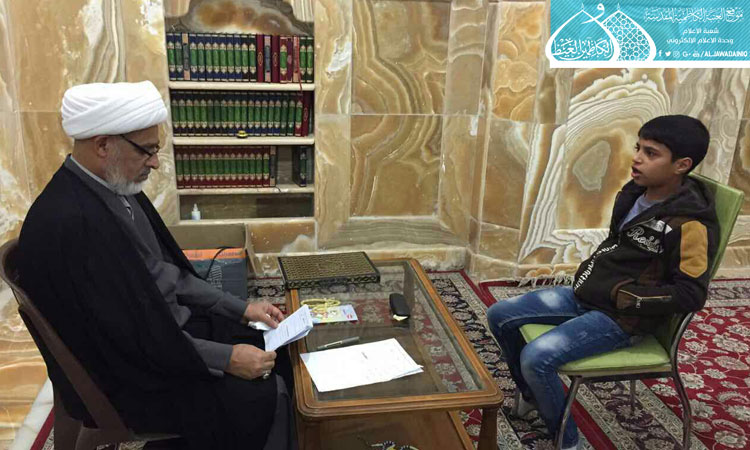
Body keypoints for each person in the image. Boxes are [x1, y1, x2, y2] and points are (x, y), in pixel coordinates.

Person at [18, 81, 297, 450]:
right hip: (132, 377)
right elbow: (128, 341)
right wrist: (227, 359)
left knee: (276, 347)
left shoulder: (113, 188)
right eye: (147, 151)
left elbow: (167, 275)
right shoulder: (72, 224)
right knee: (264, 394)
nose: (155, 162)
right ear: (102, 145)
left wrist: (241, 308)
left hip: (165, 337)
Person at [486, 115, 719, 450]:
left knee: (537, 358)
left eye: (651, 153)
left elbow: (691, 293)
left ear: (681, 165)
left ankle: (569, 443)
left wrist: (626, 297)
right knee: (500, 314)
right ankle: (532, 395)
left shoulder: (690, 224)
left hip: (622, 318)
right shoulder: (634, 193)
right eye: (638, 148)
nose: (637, 158)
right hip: (590, 294)